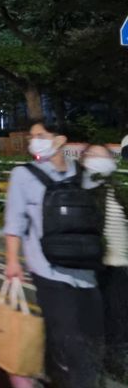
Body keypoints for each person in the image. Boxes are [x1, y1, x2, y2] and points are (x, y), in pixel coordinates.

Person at [4, 121, 103, 388]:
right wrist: (12, 261)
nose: (33, 141)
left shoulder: (83, 175)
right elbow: (15, 222)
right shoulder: (23, 175)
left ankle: (35, 365)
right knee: (74, 343)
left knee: (86, 337)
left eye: (40, 135)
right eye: (32, 136)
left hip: (86, 272)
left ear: (60, 140)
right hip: (47, 270)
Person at [81, 144, 128, 382]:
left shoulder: (116, 188)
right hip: (95, 265)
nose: (101, 160)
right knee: (94, 318)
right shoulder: (83, 189)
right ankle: (91, 363)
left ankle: (115, 362)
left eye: (105, 156)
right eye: (94, 155)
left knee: (119, 318)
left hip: (120, 264)